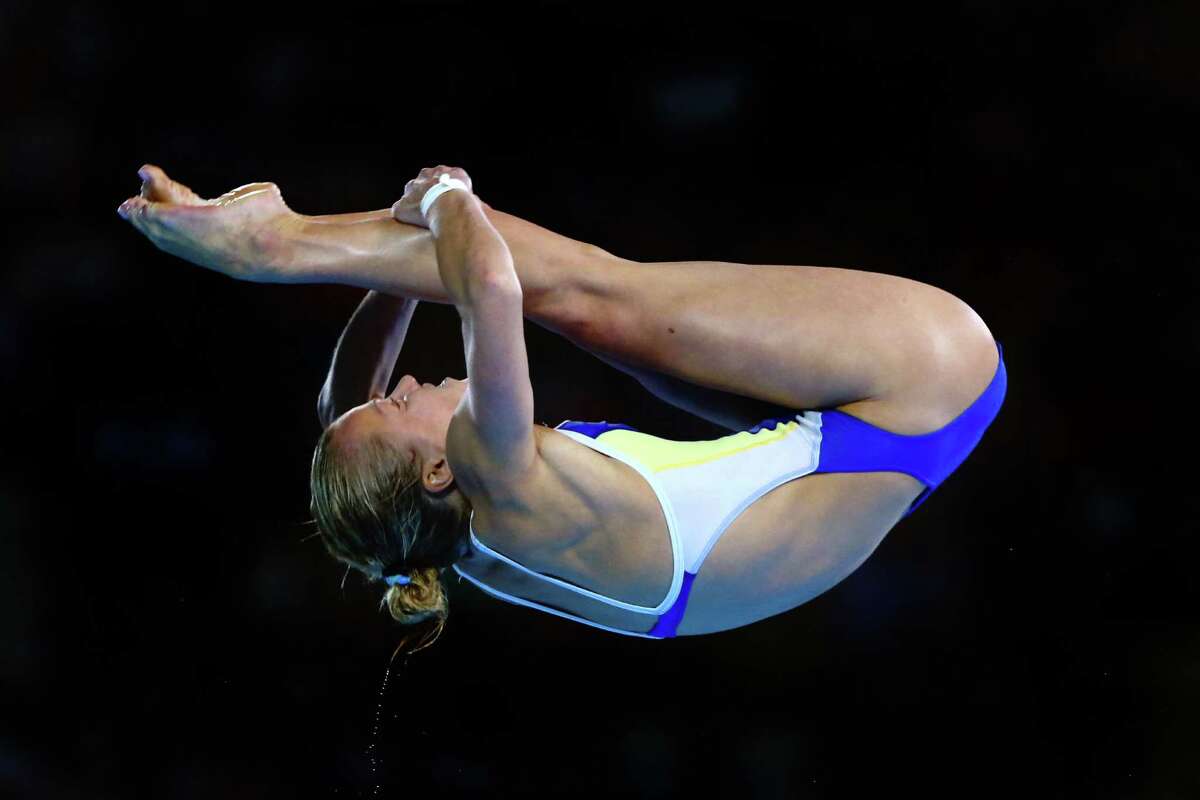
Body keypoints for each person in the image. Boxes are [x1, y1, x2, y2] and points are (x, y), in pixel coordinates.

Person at [117, 163, 1006, 651]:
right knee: (582, 291)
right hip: (925, 377)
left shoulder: (436, 528)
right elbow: (493, 287)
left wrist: (395, 286)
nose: (404, 387)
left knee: (575, 304)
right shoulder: (502, 477)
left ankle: (284, 243)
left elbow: (347, 419)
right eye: (400, 406)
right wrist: (443, 201)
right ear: (438, 466)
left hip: (869, 449)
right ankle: (270, 247)